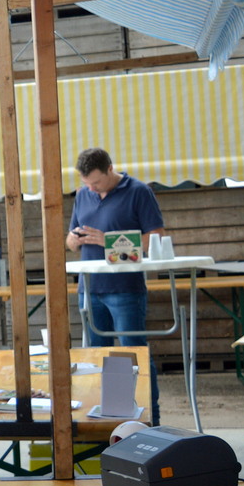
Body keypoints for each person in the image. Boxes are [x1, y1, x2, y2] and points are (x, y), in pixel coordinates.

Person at [66, 146, 164, 424]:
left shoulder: (138, 191)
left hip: (125, 288)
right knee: (95, 359)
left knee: (134, 355)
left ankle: (150, 419)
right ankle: (104, 422)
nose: (92, 189)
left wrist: (108, 241)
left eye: (96, 182)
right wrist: (75, 238)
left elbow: (155, 238)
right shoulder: (83, 195)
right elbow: (69, 242)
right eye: (87, 183)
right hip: (89, 289)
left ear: (110, 169)